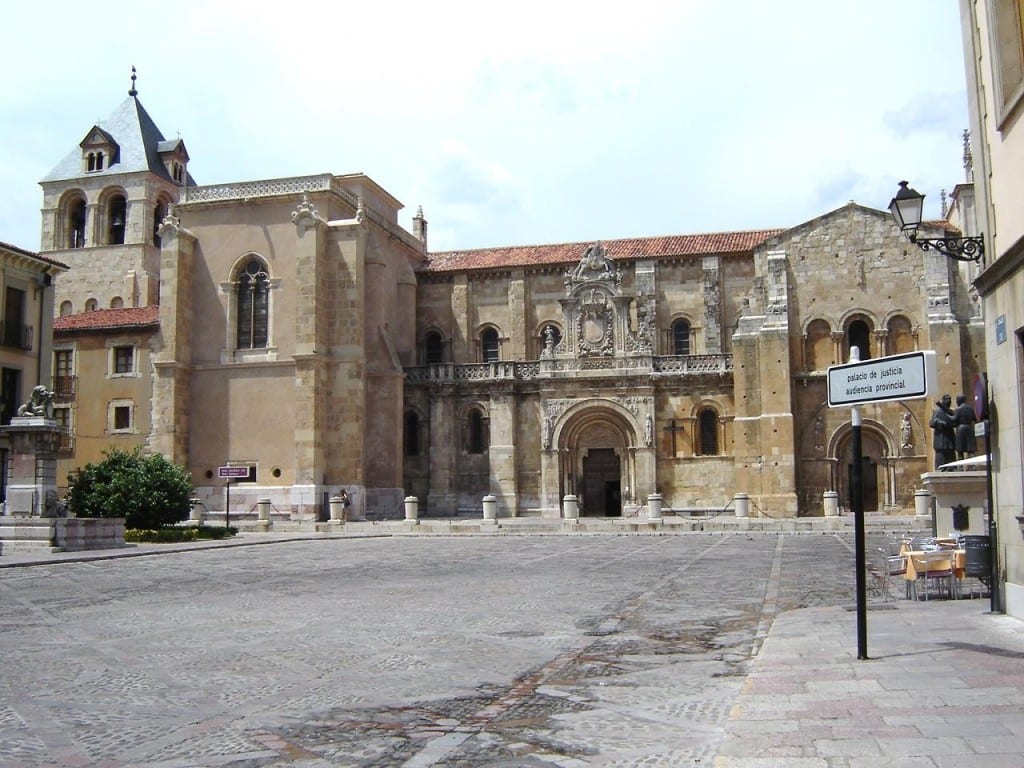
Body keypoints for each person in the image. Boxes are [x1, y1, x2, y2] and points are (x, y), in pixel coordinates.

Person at [930, 394, 956, 468]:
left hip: (949, 437)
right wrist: (940, 423)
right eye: (947, 399)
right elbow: (932, 422)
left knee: (951, 455)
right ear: (943, 400)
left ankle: (952, 468)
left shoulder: (951, 411)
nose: (949, 401)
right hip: (940, 438)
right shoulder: (937, 411)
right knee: (940, 456)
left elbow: (955, 422)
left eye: (950, 400)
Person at [953, 394, 977, 460]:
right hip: (969, 428)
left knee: (960, 450)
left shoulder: (958, 410)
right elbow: (975, 419)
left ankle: (960, 467)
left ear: (959, 400)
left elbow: (954, 419)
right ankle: (973, 466)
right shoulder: (970, 409)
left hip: (961, 429)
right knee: (971, 450)